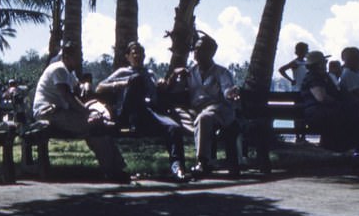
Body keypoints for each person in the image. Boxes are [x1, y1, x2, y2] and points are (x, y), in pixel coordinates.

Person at [32, 42, 129, 182]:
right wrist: (88, 113)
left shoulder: (69, 73)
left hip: (61, 112)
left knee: (98, 126)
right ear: (66, 56)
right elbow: (68, 97)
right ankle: (113, 170)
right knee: (95, 126)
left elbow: (79, 91)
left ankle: (115, 168)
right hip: (47, 113)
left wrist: (85, 86)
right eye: (77, 57)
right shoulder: (58, 69)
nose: (80, 60)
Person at [95, 42, 189, 182]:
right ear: (128, 56)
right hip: (128, 114)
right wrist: (123, 83)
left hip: (149, 113)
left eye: (140, 53)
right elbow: (99, 88)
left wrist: (163, 83)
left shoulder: (149, 73)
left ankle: (177, 166)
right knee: (136, 79)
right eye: (134, 53)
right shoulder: (123, 72)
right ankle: (135, 121)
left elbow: (157, 93)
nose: (138, 56)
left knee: (173, 127)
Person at [171, 33, 240, 178]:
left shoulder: (221, 72)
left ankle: (203, 162)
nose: (196, 53)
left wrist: (230, 94)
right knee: (179, 113)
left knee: (204, 118)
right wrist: (174, 76)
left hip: (218, 109)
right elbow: (175, 91)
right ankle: (179, 165)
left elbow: (227, 89)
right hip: (196, 111)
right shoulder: (190, 72)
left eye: (201, 49)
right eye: (195, 49)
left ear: (211, 52)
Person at [301, 50, 359, 159]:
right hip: (318, 114)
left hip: (324, 112)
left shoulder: (323, 77)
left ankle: (353, 147)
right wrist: (339, 103)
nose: (326, 64)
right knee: (354, 112)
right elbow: (321, 97)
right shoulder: (314, 78)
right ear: (319, 64)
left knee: (358, 109)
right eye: (324, 61)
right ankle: (356, 147)